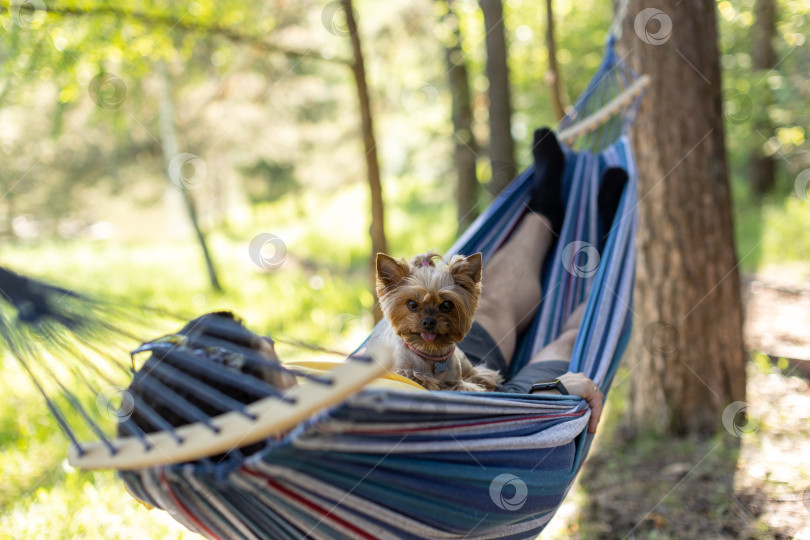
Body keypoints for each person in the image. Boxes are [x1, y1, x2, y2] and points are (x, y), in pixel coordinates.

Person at [455, 128, 628, 435]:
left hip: (444, 383)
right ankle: (612, 253)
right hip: (509, 424)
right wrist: (557, 389)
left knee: (488, 303)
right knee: (575, 343)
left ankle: (545, 210)